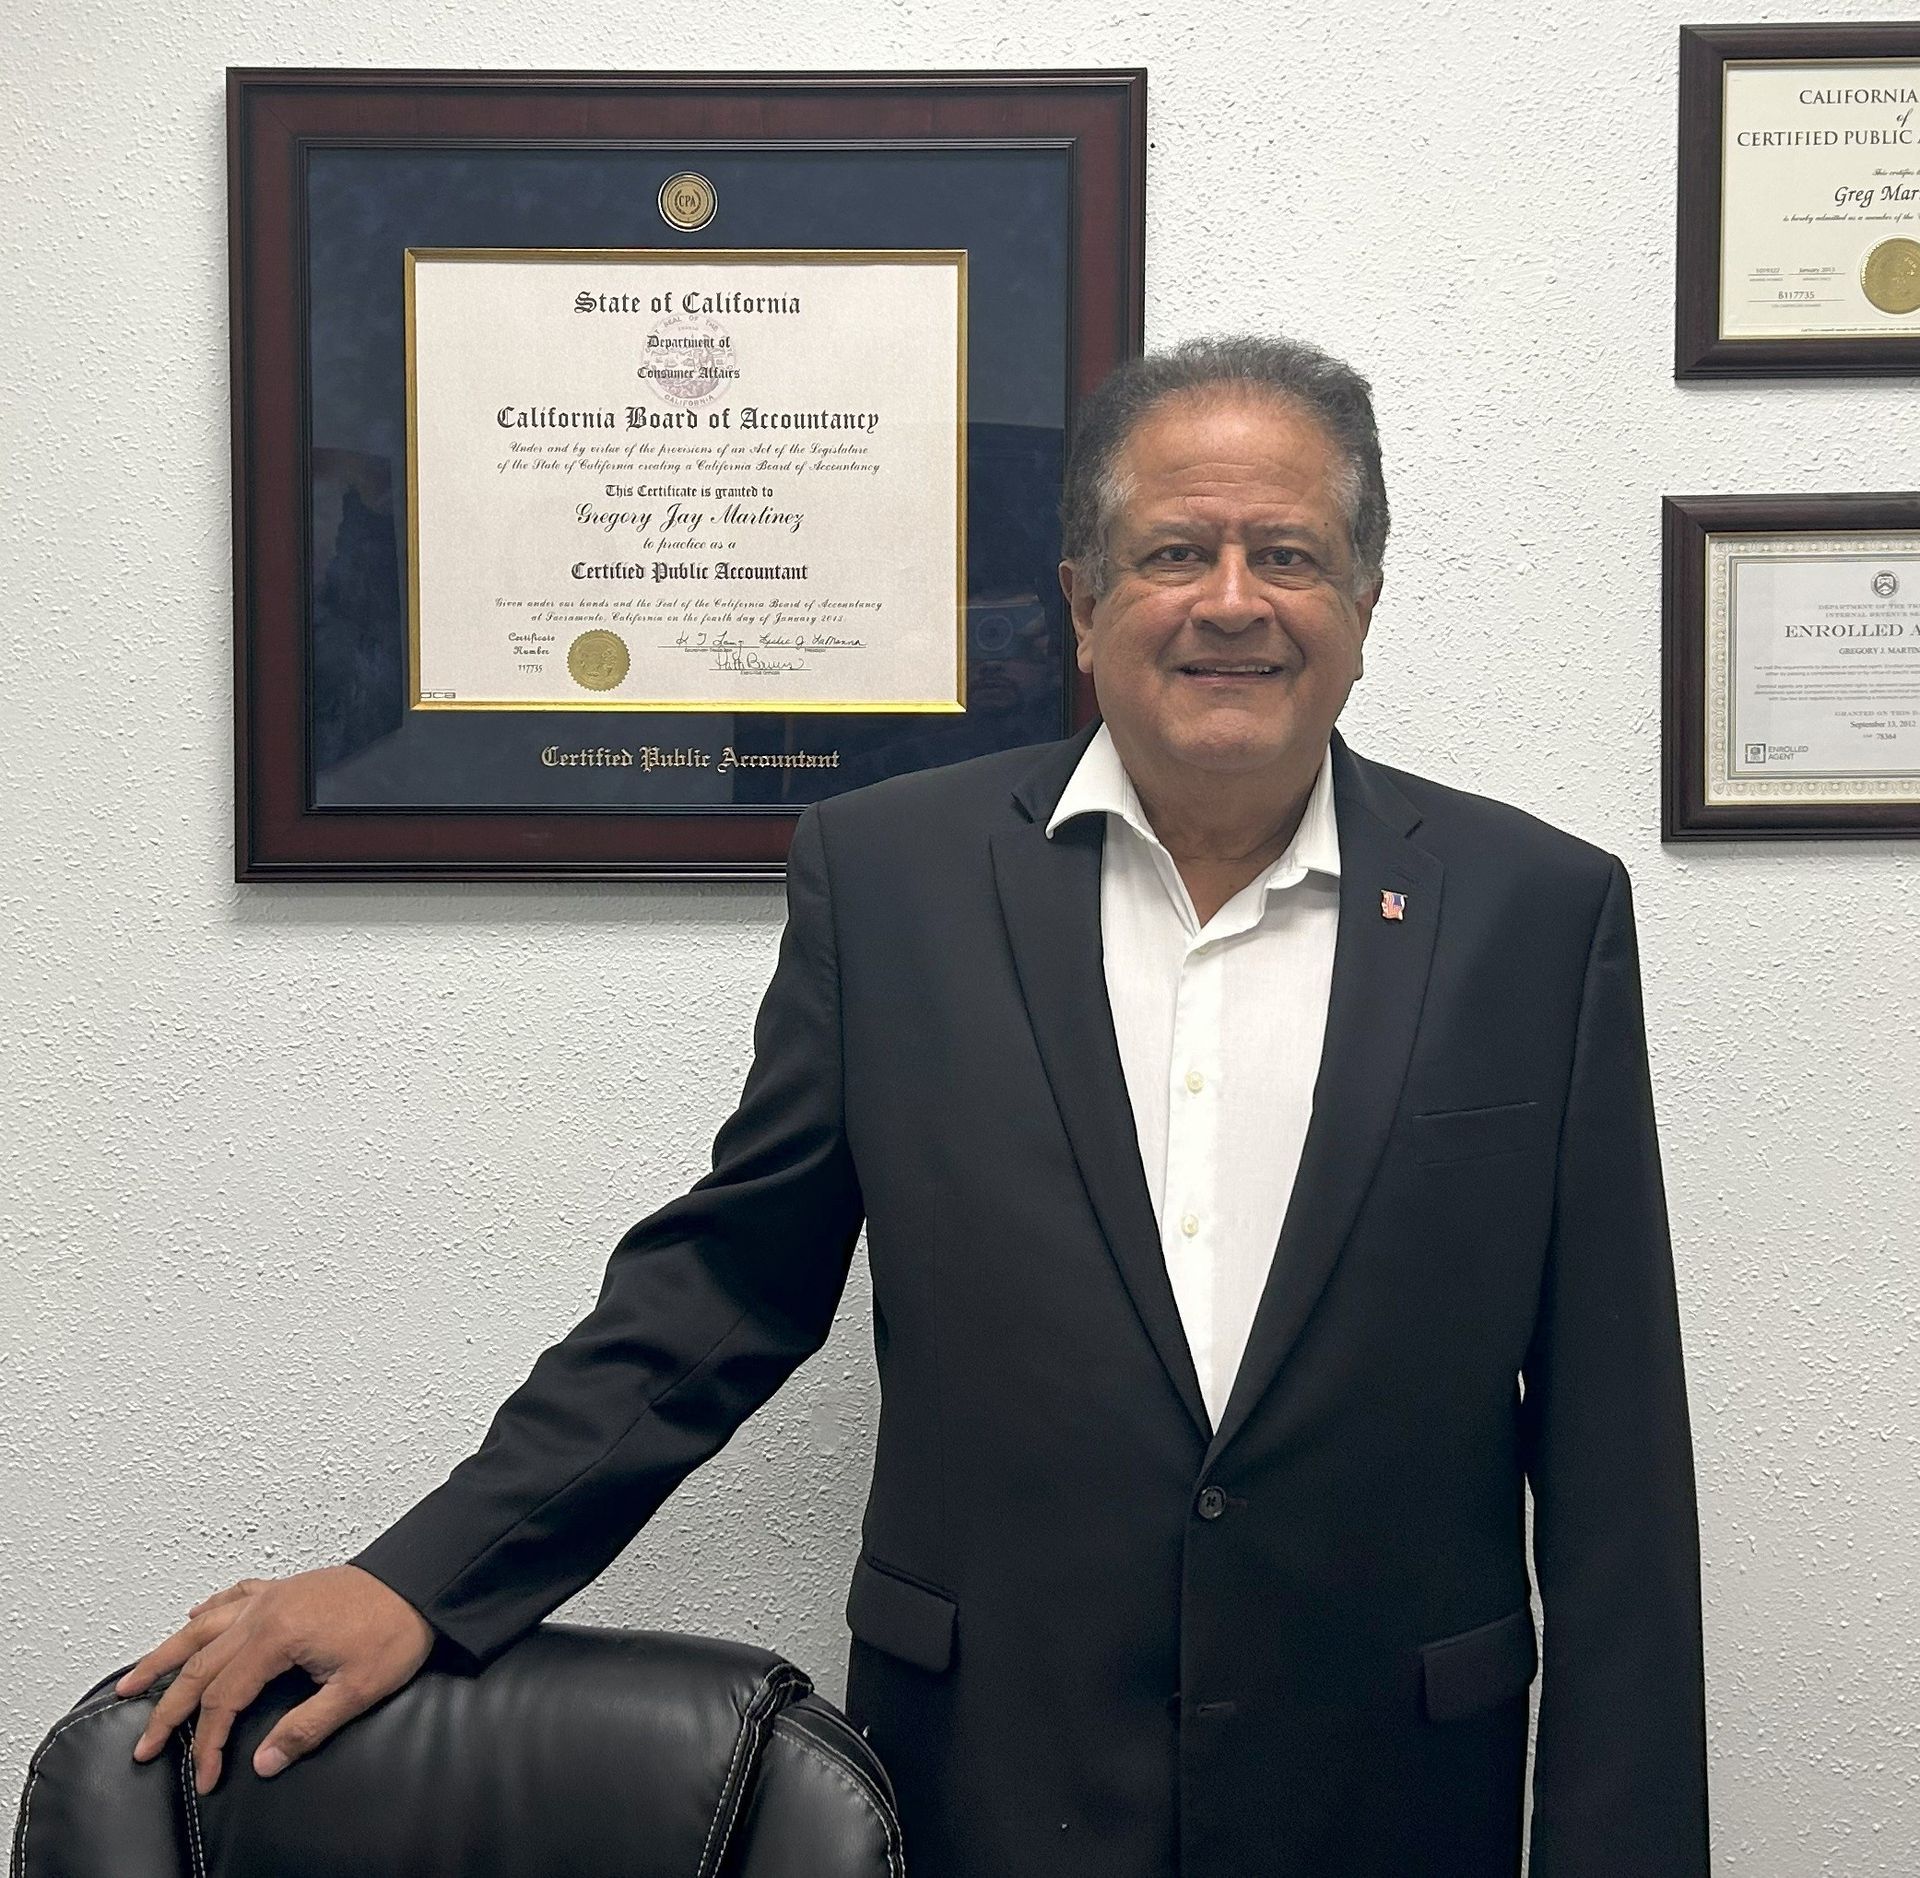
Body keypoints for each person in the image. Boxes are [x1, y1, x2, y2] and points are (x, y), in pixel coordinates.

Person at [117, 335, 1710, 1877]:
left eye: (1286, 553)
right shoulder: (893, 881)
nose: (1232, 601)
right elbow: (722, 1290)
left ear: (1365, 601)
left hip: (1393, 1788)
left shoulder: (1532, 912)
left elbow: (1614, 1443)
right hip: (995, 1777)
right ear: (1084, 605)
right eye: (1174, 553)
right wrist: (423, 1578)